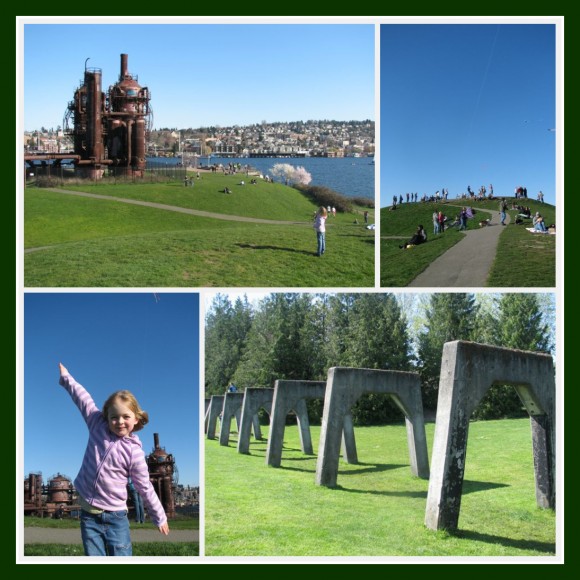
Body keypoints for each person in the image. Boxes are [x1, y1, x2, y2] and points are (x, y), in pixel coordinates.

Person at [58, 363, 169, 556]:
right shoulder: (97, 425)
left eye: (126, 416)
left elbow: (144, 486)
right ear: (106, 417)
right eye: (114, 417)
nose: (120, 422)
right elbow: (83, 399)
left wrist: (160, 516)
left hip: (116, 517)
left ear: (136, 419)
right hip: (88, 515)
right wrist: (67, 378)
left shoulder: (134, 453)